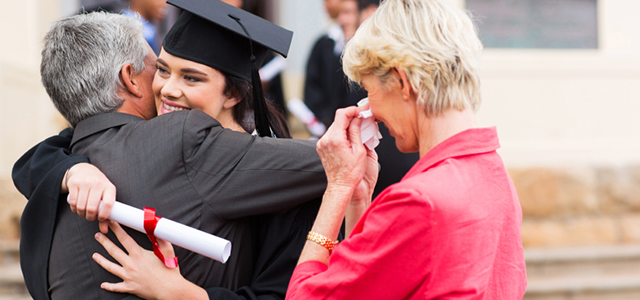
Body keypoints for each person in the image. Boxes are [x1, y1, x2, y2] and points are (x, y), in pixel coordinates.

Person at [13, 1, 326, 299]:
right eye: (161, 70)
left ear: (233, 93)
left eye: (191, 77)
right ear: (129, 79)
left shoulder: (55, 180)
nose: (168, 88)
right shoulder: (160, 144)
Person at [286, 0, 528, 298]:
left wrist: (337, 187)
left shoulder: (418, 201)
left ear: (402, 82)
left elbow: (304, 296)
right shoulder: (494, 175)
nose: (369, 108)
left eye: (369, 89)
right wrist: (359, 199)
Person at [304, 0, 367, 128]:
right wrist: (324, 118)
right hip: (328, 122)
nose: (343, 19)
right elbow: (312, 86)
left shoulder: (367, 47)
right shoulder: (324, 44)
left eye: (348, 13)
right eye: (340, 13)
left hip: (360, 122)